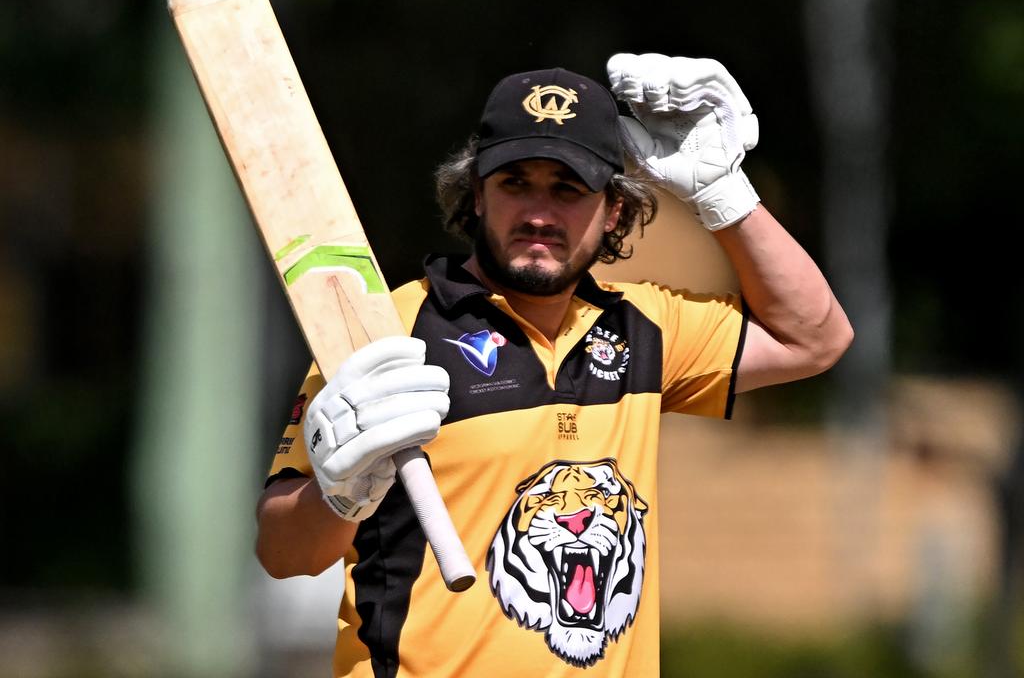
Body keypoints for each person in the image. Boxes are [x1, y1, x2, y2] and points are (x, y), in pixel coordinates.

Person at [256, 54, 854, 677]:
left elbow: (815, 338)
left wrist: (724, 194)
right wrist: (341, 495)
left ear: (614, 211)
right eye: (515, 183)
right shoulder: (387, 331)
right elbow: (280, 552)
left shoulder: (645, 328)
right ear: (477, 197)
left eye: (567, 189)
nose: (539, 214)